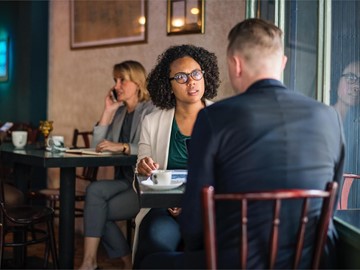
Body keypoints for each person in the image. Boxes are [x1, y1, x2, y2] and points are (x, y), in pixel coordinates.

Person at [141, 18, 345, 269]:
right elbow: (332, 206)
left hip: (237, 260)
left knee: (149, 263)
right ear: (282, 63)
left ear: (235, 64)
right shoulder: (328, 116)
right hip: (310, 260)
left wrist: (197, 247)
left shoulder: (215, 118)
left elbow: (194, 219)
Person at [133, 44, 220, 268]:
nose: (191, 81)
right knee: (155, 239)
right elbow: (141, 179)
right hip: (164, 207)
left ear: (204, 76)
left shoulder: (223, 118)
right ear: (168, 85)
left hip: (210, 209)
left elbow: (231, 175)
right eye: (180, 77)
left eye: (196, 74)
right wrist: (143, 167)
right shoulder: (152, 122)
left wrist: (193, 205)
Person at [78, 60, 156, 270]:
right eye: (115, 80)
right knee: (94, 191)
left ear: (138, 83)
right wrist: (108, 111)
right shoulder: (120, 113)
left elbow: (152, 148)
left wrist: (122, 146)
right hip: (124, 181)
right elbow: (98, 148)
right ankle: (93, 261)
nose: (116, 86)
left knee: (97, 210)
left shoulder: (151, 110)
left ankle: (96, 262)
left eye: (123, 80)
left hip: (143, 184)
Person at [332, 61, 360, 207]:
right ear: (337, 82)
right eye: (350, 78)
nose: (356, 86)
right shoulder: (323, 117)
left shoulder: (357, 125)